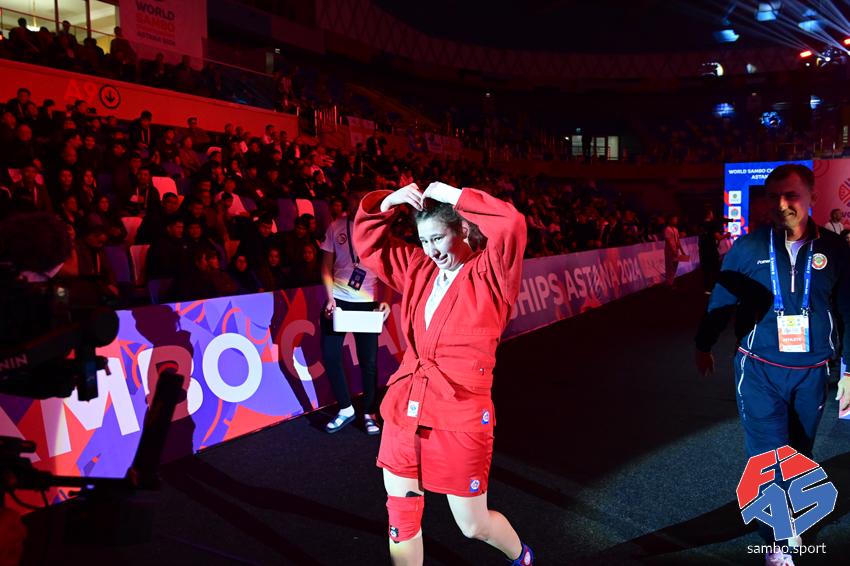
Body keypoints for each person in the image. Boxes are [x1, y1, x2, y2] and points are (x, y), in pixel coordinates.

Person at [353, 181, 533, 565]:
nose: (432, 250)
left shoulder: (492, 273)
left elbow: (511, 224)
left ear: (462, 229)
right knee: (401, 518)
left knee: (473, 526)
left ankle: (522, 558)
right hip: (406, 406)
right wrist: (388, 202)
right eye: (424, 241)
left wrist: (454, 194)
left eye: (438, 238)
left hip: (460, 412)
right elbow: (369, 246)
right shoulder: (418, 268)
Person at [695, 164, 850, 565]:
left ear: (812, 197)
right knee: (769, 457)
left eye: (791, 195)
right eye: (773, 197)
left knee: (799, 452)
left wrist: (849, 369)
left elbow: (849, 311)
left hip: (813, 373)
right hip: (758, 369)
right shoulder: (748, 248)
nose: (781, 205)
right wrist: (704, 344)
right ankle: (777, 541)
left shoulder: (836, 251)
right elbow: (721, 302)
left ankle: (788, 515)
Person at [320, 191, 386, 435]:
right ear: (347, 198)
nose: (358, 203)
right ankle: (346, 408)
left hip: (367, 302)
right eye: (354, 197)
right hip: (338, 300)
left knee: (369, 361)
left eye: (363, 198)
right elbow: (325, 265)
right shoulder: (335, 226)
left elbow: (387, 269)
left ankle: (369, 412)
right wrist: (329, 297)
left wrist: (385, 300)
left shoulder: (377, 229)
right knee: (330, 355)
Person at [697, 209, 727, 294]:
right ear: (709, 214)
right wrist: (726, 235)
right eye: (712, 213)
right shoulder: (712, 224)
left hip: (702, 250)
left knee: (705, 270)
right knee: (715, 269)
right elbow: (718, 237)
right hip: (711, 250)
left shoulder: (700, 225)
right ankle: (715, 288)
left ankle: (707, 289)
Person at [663, 215, 686, 287]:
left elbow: (678, 241)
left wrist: (682, 251)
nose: (676, 220)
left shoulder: (676, 229)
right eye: (674, 219)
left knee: (675, 264)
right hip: (669, 251)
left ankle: (671, 281)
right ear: (670, 220)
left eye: (676, 219)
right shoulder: (667, 229)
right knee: (670, 266)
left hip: (676, 250)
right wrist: (673, 250)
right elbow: (667, 241)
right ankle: (669, 283)